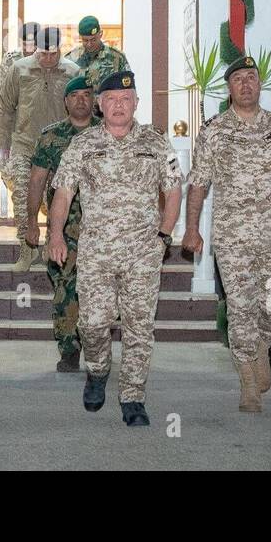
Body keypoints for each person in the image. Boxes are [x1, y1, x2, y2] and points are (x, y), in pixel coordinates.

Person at [181, 55, 271, 413]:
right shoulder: (214, 132)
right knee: (241, 308)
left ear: (259, 85)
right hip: (233, 240)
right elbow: (198, 184)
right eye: (238, 79)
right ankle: (248, 383)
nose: (246, 83)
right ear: (229, 89)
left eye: (251, 77)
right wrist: (193, 229)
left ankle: (261, 344)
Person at [49, 71, 182, 427]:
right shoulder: (83, 145)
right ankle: (97, 370)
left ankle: (133, 397)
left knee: (140, 328)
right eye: (111, 100)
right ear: (99, 105)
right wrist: (56, 235)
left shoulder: (156, 143)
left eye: (126, 100)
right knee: (92, 325)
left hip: (143, 253)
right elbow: (63, 193)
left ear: (136, 103)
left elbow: (173, 191)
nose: (119, 105)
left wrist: (164, 237)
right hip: (97, 254)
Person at [24, 76, 96, 372]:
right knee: (66, 288)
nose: (81, 100)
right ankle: (69, 348)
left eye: (86, 95)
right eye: (74, 95)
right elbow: (37, 179)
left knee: (97, 288)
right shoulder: (51, 136)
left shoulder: (108, 133)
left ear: (94, 100)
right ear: (65, 101)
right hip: (63, 226)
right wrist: (32, 222)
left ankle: (94, 343)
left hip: (102, 227)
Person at [0, 27, 81, 271]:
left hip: (59, 150)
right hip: (25, 146)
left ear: (60, 49)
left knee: (55, 200)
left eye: (52, 54)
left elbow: (80, 112)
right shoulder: (19, 69)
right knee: (23, 198)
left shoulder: (72, 72)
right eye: (43, 54)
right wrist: (4, 150)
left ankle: (50, 246)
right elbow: (6, 110)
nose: (47, 59)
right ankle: (26, 249)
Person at [64, 16, 130, 92]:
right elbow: (64, 90)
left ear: (100, 34)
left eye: (93, 40)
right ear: (80, 37)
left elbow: (127, 88)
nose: (89, 44)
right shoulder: (71, 58)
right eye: (85, 40)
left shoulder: (117, 57)